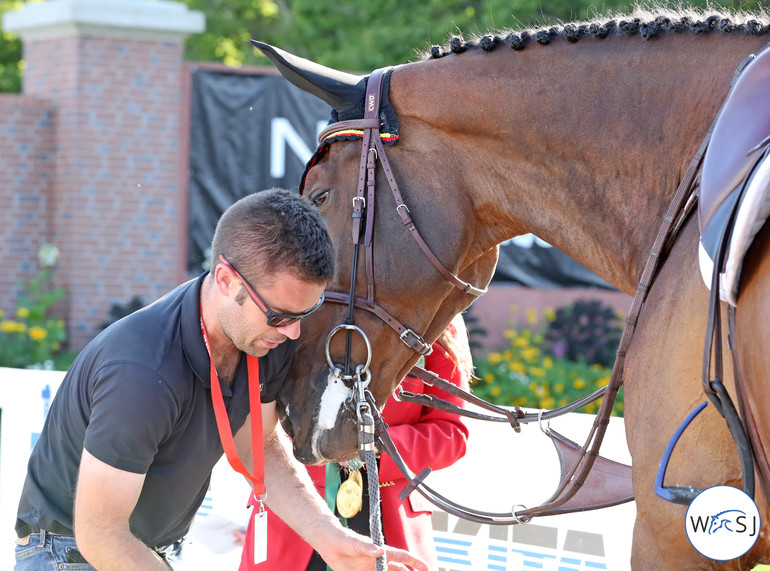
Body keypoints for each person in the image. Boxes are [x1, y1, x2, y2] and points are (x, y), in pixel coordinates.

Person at [13, 188, 427, 571]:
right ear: (226, 279)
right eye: (281, 315)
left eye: (305, 313)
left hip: (155, 547)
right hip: (69, 554)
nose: (293, 333)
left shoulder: (263, 334)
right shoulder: (141, 373)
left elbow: (257, 445)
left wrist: (330, 538)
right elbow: (101, 535)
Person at [240, 314, 473, 571]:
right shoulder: (306, 296)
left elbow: (451, 434)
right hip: (293, 513)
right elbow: (260, 405)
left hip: (391, 518)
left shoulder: (438, 310)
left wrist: (372, 444)